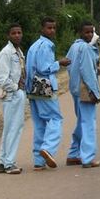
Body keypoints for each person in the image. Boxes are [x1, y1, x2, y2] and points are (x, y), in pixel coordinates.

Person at [25, 17, 71, 170]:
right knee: (55, 119)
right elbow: (44, 68)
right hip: (44, 86)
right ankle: (48, 148)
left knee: (39, 124)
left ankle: (39, 161)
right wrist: (60, 63)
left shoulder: (33, 46)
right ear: (42, 29)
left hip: (32, 88)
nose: (52, 31)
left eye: (54, 28)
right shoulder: (46, 46)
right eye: (49, 28)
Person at [66, 22, 100, 169]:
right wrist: (95, 92)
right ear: (80, 32)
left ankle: (74, 154)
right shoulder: (86, 48)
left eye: (91, 32)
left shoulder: (74, 47)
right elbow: (87, 73)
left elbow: (69, 65)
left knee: (81, 122)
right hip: (85, 90)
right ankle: (87, 158)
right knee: (88, 123)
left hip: (75, 89)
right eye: (86, 32)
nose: (89, 35)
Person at [0, 23, 27, 175]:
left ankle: (2, 161)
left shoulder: (18, 52)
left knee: (9, 129)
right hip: (11, 96)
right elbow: (1, 78)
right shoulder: (6, 53)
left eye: (19, 32)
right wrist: (15, 87)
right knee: (14, 128)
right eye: (13, 33)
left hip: (17, 95)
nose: (17, 35)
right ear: (8, 35)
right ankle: (9, 163)